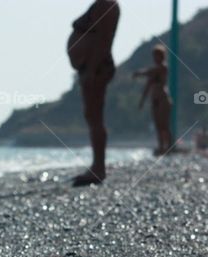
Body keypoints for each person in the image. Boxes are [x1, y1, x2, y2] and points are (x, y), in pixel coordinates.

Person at [68, 0, 121, 186]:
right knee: (92, 116)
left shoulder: (107, 5)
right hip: (92, 67)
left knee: (95, 116)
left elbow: (103, 40)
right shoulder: (102, 4)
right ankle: (96, 166)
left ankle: (98, 168)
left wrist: (91, 69)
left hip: (96, 68)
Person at [134, 44, 173, 156]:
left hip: (163, 99)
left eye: (157, 55)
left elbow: (151, 71)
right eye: (154, 56)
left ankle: (169, 146)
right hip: (154, 100)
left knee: (164, 125)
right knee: (158, 126)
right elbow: (147, 87)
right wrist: (142, 101)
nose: (155, 58)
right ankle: (161, 147)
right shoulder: (153, 72)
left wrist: (139, 73)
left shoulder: (163, 68)